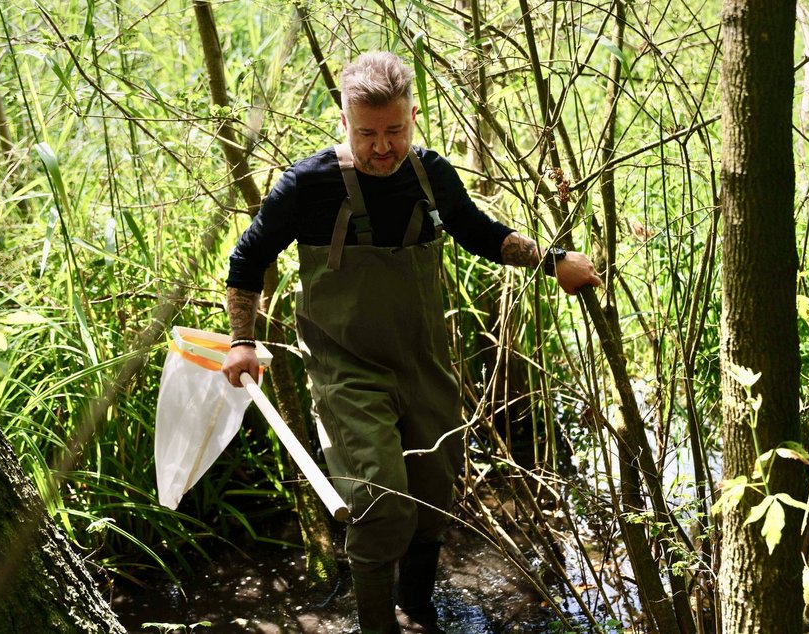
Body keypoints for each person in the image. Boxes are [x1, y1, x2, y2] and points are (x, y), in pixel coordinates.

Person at [221, 51, 600, 634]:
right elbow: (247, 259)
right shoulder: (307, 184)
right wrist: (241, 341)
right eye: (367, 133)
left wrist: (553, 261)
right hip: (346, 370)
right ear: (343, 122)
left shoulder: (430, 175)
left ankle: (418, 613)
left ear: (413, 117)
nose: (382, 147)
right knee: (378, 502)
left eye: (394, 130)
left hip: (422, 364)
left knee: (431, 495)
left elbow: (479, 233)